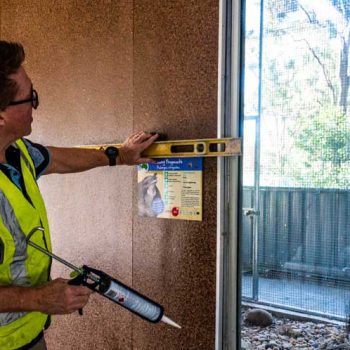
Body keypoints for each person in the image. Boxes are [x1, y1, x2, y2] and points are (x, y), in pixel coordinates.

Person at [0, 41, 158, 350]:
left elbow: (60, 158)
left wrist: (120, 156)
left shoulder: (18, 152)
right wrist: (39, 298)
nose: (35, 104)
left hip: (27, 334)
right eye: (29, 98)